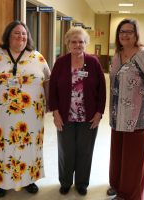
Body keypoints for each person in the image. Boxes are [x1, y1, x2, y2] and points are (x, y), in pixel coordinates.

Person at [0, 20, 50, 198]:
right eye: (16, 33)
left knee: (29, 145)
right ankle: (1, 182)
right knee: (1, 144)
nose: (21, 36)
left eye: (24, 34)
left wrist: (50, 102)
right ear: (8, 36)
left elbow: (47, 79)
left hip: (31, 114)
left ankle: (29, 179)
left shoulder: (37, 57)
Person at [107, 18, 144, 200]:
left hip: (138, 118)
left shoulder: (143, 54)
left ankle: (129, 195)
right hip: (117, 116)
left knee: (133, 160)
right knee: (119, 155)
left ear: (136, 34)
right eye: (121, 31)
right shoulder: (117, 55)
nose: (125, 35)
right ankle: (117, 185)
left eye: (129, 31)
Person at [49, 27, 106, 196]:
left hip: (88, 116)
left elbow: (102, 90)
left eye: (81, 41)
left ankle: (82, 183)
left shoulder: (93, 62)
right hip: (65, 116)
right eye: (73, 41)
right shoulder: (60, 63)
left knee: (85, 150)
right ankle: (65, 182)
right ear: (67, 44)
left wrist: (99, 113)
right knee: (66, 150)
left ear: (86, 43)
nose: (77, 45)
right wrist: (56, 113)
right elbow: (52, 90)